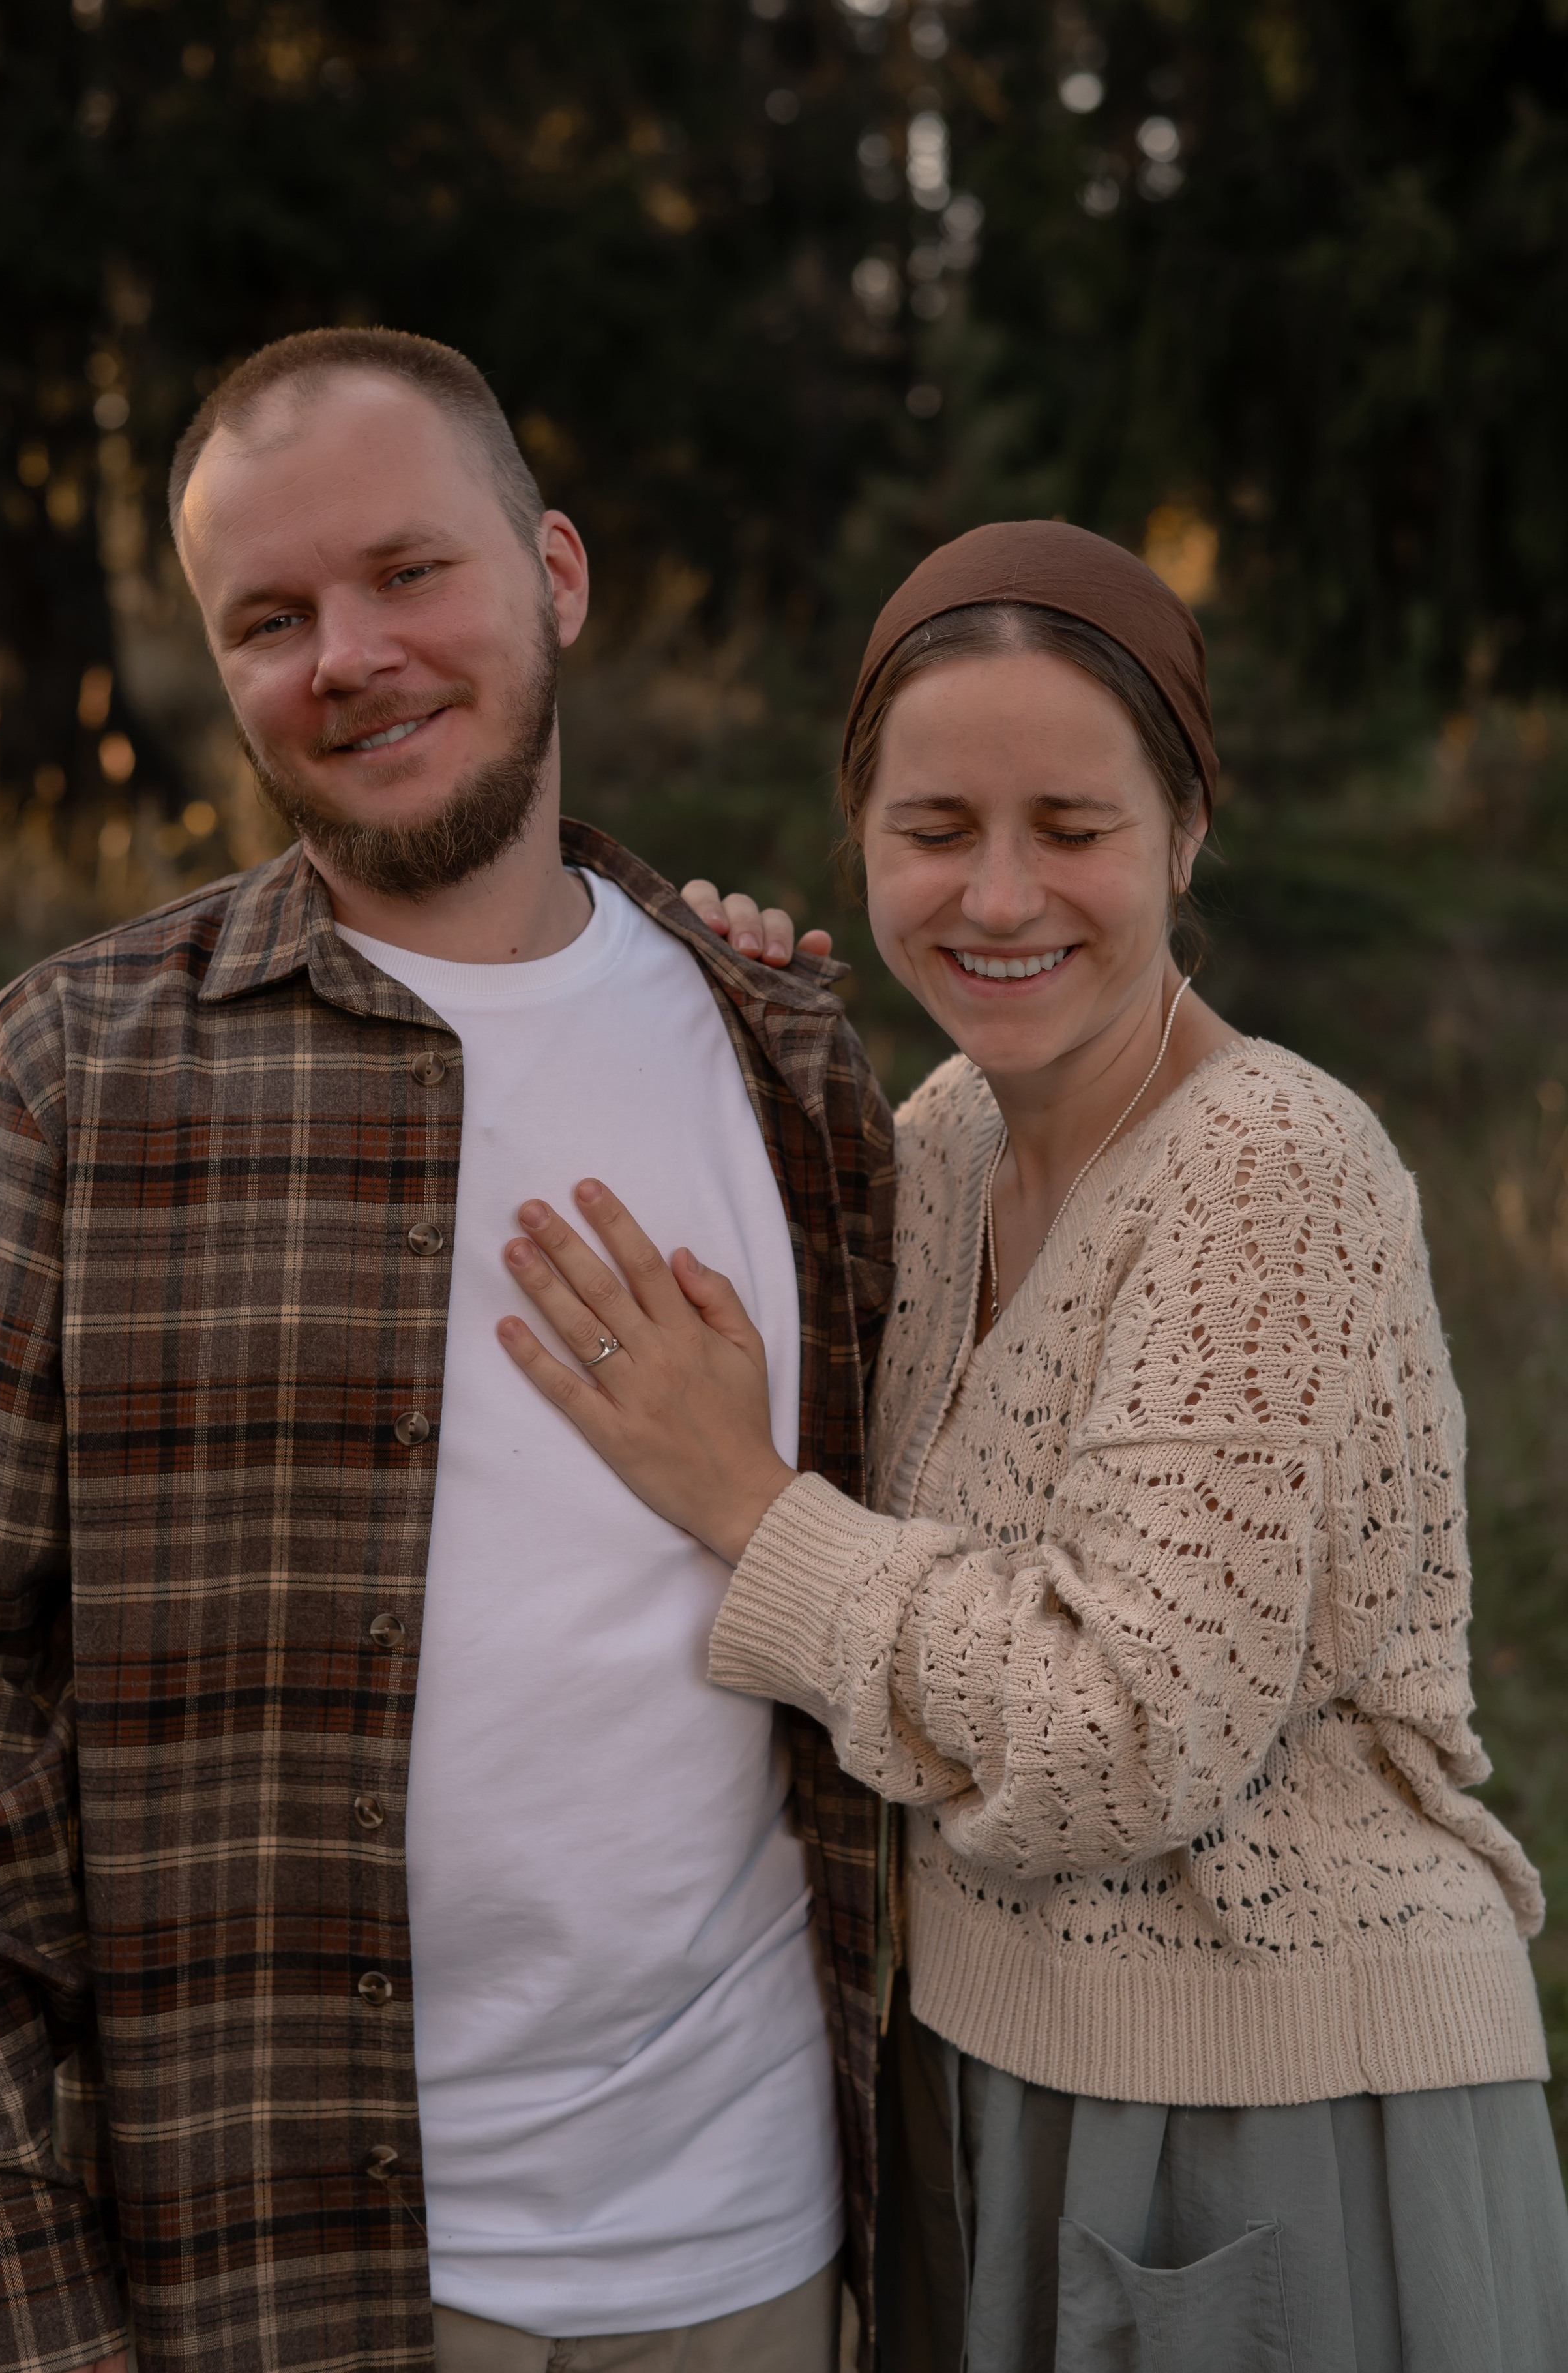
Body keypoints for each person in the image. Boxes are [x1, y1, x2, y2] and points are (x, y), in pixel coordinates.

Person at [0, 328, 895, 2373]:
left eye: (405, 574)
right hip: (273, 2274)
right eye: (270, 616)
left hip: (758, 2247)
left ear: (555, 576)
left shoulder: (786, 1054)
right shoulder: (66, 1083)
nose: (346, 655)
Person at [495, 520, 1568, 2372]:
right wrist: (734, 1030)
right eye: (933, 832)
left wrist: (753, 1518)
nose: (997, 897)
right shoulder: (945, 1139)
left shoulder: (1269, 1166)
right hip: (997, 2075)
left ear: (1185, 833)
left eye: (1070, 828)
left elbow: (1124, 1731)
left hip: (1271, 2113)